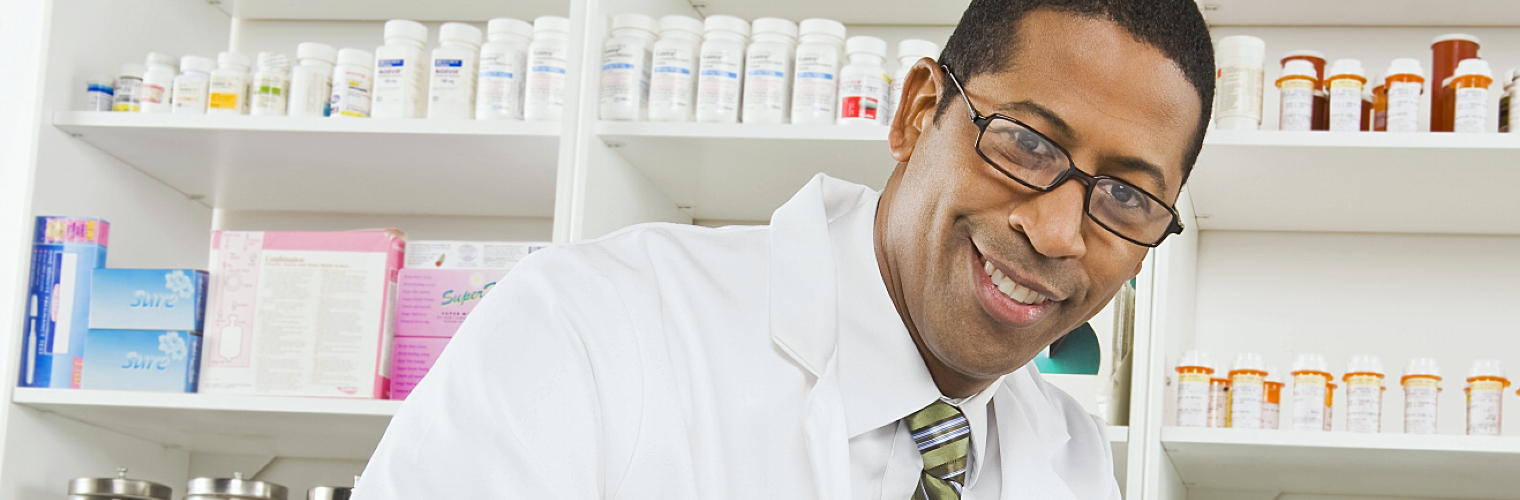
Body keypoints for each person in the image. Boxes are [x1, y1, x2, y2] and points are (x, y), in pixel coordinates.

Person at [355, 0, 1214, 498]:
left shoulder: (1069, 460)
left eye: (1128, 198)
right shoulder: (589, 326)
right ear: (918, 113)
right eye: (1025, 143)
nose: (1059, 232)